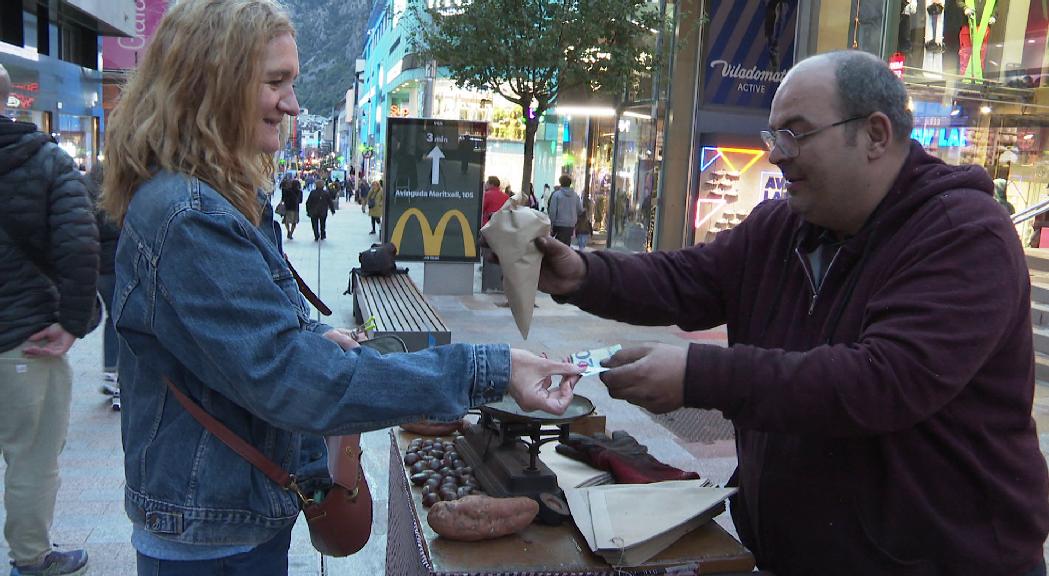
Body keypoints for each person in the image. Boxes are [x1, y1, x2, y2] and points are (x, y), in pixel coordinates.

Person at [100, 2, 582, 574]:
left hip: (229, 514)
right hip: (211, 538)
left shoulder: (214, 199)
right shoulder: (189, 216)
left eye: (293, 83)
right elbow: (295, 382)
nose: (294, 104)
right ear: (211, 84)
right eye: (275, 82)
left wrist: (316, 336)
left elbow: (257, 346)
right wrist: (491, 369)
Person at [532, 50, 1049, 576]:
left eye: (796, 134)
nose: (777, 154)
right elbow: (688, 277)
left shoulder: (963, 234)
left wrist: (699, 376)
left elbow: (881, 382)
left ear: (875, 135)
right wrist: (581, 273)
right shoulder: (781, 226)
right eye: (773, 135)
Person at [0, 63, 98, 576]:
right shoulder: (43, 161)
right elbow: (80, 247)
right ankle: (31, 559)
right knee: (32, 456)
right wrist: (72, 322)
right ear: (12, 99)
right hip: (25, 339)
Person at [89, 166, 123, 411]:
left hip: (99, 268)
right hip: (114, 266)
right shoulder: (116, 200)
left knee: (114, 318)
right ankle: (118, 380)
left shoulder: (88, 193)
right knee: (120, 319)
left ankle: (111, 372)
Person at [548, 174, 582, 245]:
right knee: (567, 243)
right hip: (571, 224)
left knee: (558, 245)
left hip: (559, 224)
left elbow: (552, 211)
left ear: (560, 183)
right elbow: (580, 210)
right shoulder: (575, 195)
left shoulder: (556, 195)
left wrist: (551, 223)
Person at [279, 173, 301, 239]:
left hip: (287, 207)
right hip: (295, 208)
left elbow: (283, 199)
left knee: (286, 221)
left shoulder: (286, 190)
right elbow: (300, 201)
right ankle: (291, 232)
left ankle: (288, 230)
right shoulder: (299, 192)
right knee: (294, 222)